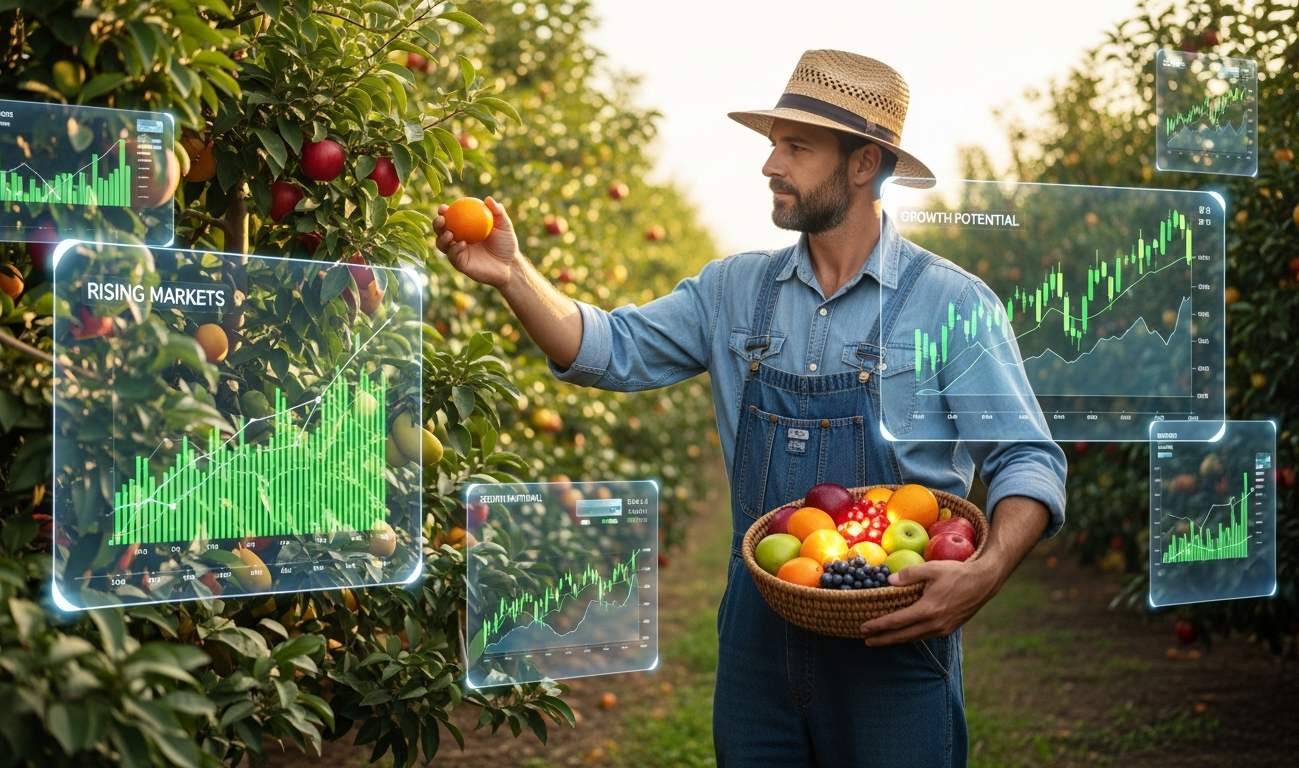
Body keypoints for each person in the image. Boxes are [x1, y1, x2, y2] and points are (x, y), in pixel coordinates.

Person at [433, 49, 1066, 768]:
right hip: (757, 644)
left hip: (891, 636)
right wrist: (513, 275)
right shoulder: (732, 290)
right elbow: (604, 348)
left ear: (863, 164)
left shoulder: (950, 303)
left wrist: (985, 572)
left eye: (796, 147)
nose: (771, 165)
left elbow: (1027, 459)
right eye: (773, 145)